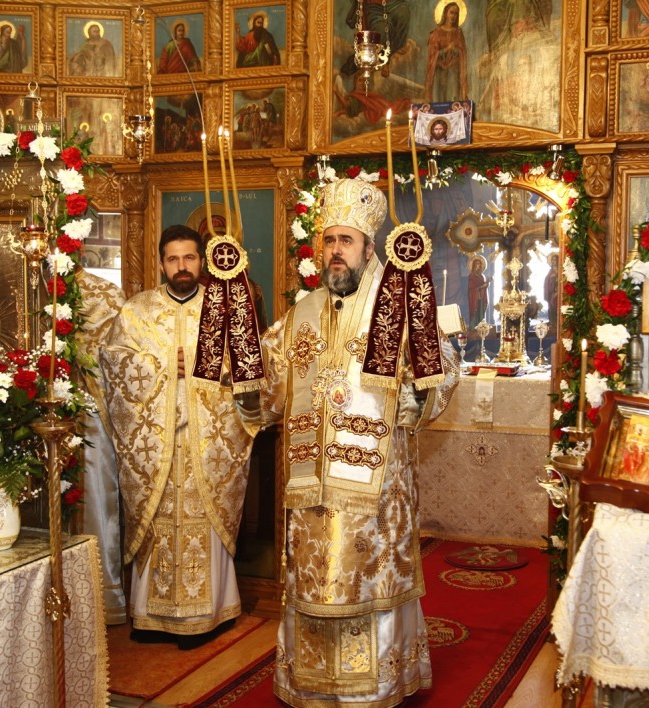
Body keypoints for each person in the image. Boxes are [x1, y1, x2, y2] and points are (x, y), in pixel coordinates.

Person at [236, 178, 459, 705]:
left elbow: (444, 367)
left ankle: (375, 682)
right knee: (315, 580)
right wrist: (245, 380)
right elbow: (269, 382)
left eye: (346, 241)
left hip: (375, 489)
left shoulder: (398, 304)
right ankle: (314, 681)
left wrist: (414, 401)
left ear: (368, 247)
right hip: (311, 485)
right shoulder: (302, 313)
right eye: (329, 241)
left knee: (366, 580)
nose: (336, 252)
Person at [100, 225, 255, 649]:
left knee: (203, 519)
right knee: (158, 519)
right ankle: (150, 617)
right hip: (157, 446)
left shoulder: (224, 310)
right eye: (173, 259)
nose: (182, 267)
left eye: (189, 258)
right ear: (162, 262)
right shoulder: (137, 311)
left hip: (208, 441)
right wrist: (166, 365)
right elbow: (114, 366)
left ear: (201, 261)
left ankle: (211, 613)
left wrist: (215, 369)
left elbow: (249, 370)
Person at [74, 266, 128, 625]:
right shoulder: (19, 282)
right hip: (26, 408)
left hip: (90, 414)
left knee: (95, 492)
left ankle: (97, 593)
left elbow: (122, 364)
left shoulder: (103, 296)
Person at [425, 2, 469, 102]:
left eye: (456, 14)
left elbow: (463, 54)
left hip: (454, 70)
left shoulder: (458, 33)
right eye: (451, 13)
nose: (454, 16)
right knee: (439, 98)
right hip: (439, 70)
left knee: (453, 98)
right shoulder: (436, 33)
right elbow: (432, 55)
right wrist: (447, 49)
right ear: (446, 13)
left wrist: (456, 50)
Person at [467, 254, 489, 326]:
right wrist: (482, 286)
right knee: (475, 314)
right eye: (477, 264)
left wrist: (486, 284)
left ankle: (482, 327)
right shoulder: (472, 276)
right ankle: (473, 328)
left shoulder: (482, 276)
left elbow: (483, 286)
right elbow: (471, 290)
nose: (479, 266)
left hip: (481, 298)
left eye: (480, 264)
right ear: (473, 265)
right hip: (474, 299)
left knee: (481, 313)